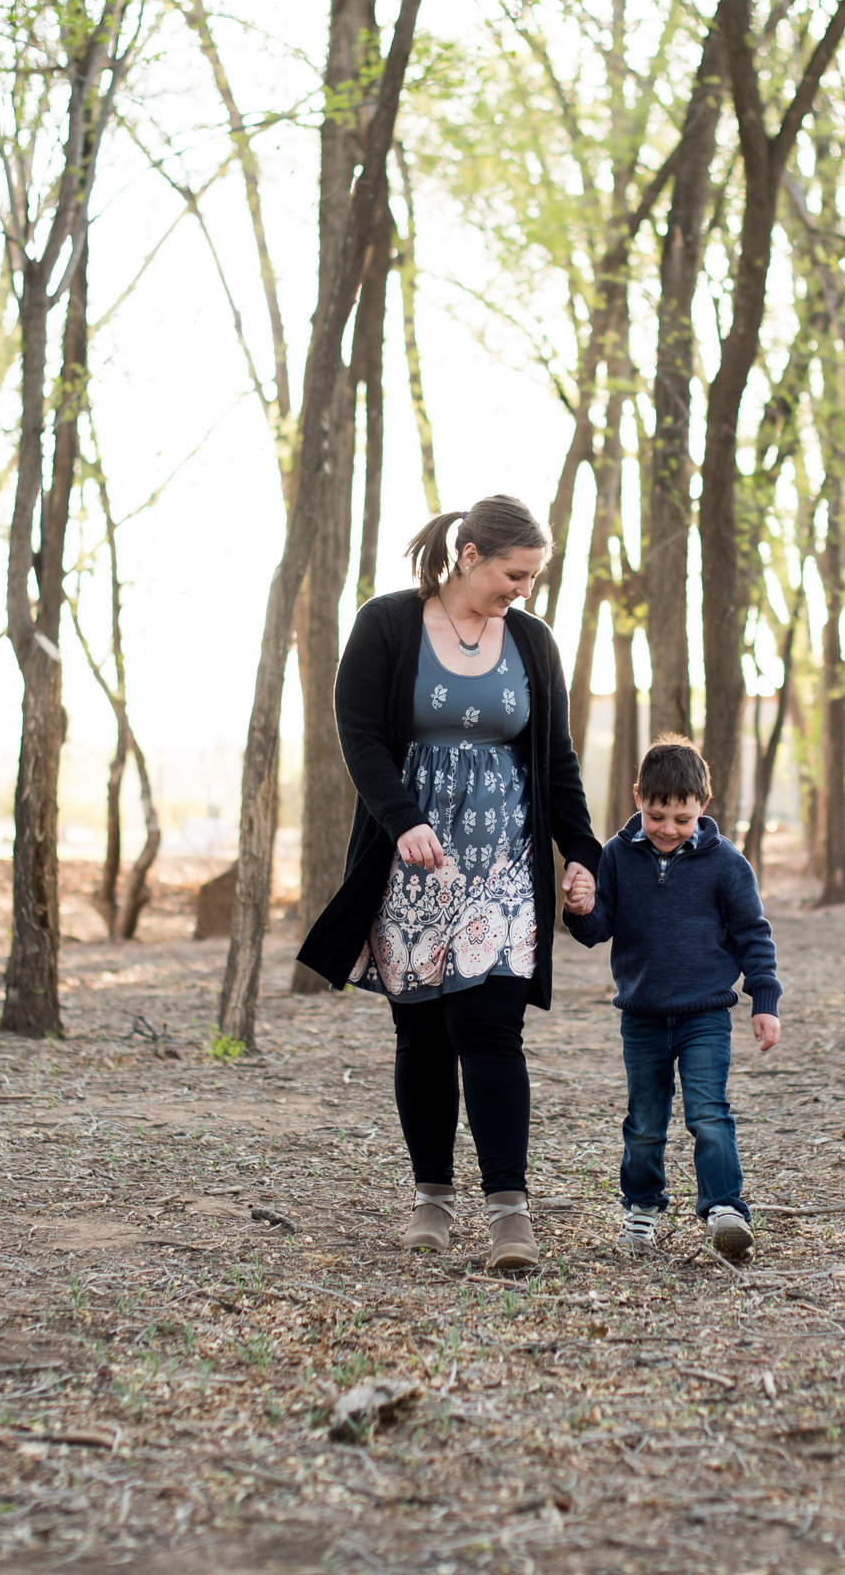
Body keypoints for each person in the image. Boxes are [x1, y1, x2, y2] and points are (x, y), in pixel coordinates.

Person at [297, 495, 601, 1271]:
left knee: (492, 1031)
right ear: (470, 555)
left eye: (533, 576)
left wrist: (582, 852)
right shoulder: (388, 624)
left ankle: (509, 1212)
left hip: (503, 866)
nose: (523, 589)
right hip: (412, 864)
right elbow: (359, 734)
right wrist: (402, 820)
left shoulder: (531, 642)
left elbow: (555, 757)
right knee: (423, 1035)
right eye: (515, 573)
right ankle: (431, 1197)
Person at [563, 736, 782, 1259]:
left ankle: (725, 1208)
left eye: (681, 819)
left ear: (703, 807)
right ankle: (640, 1210)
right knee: (644, 1122)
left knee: (709, 1113)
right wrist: (581, 908)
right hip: (641, 1016)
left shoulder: (726, 863)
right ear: (638, 797)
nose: (667, 829)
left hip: (705, 1013)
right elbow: (598, 930)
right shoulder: (616, 856)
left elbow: (754, 934)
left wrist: (764, 1002)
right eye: (657, 815)